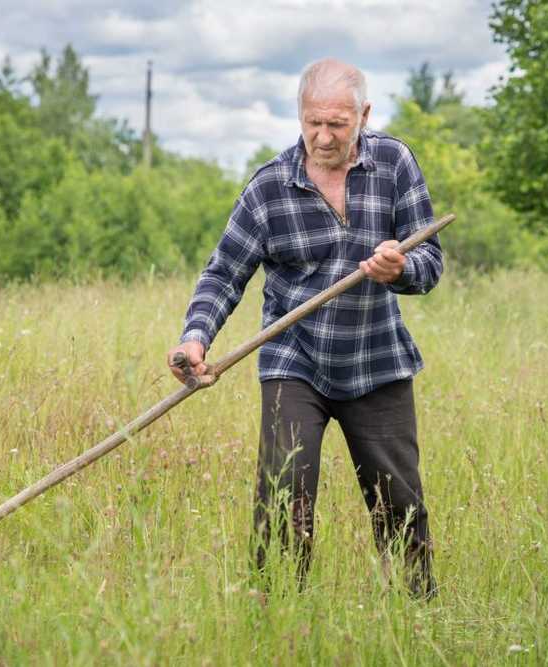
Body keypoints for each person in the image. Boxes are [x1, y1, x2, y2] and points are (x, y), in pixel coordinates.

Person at [166, 58, 443, 598]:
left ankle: (418, 616)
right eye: (312, 121)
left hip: (377, 362)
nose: (322, 136)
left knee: (400, 503)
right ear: (299, 115)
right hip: (295, 363)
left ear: (363, 115)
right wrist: (196, 338)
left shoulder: (394, 163)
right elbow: (224, 273)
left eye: (337, 124)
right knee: (283, 494)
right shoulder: (269, 187)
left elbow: (429, 260)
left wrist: (402, 268)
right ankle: (275, 615)